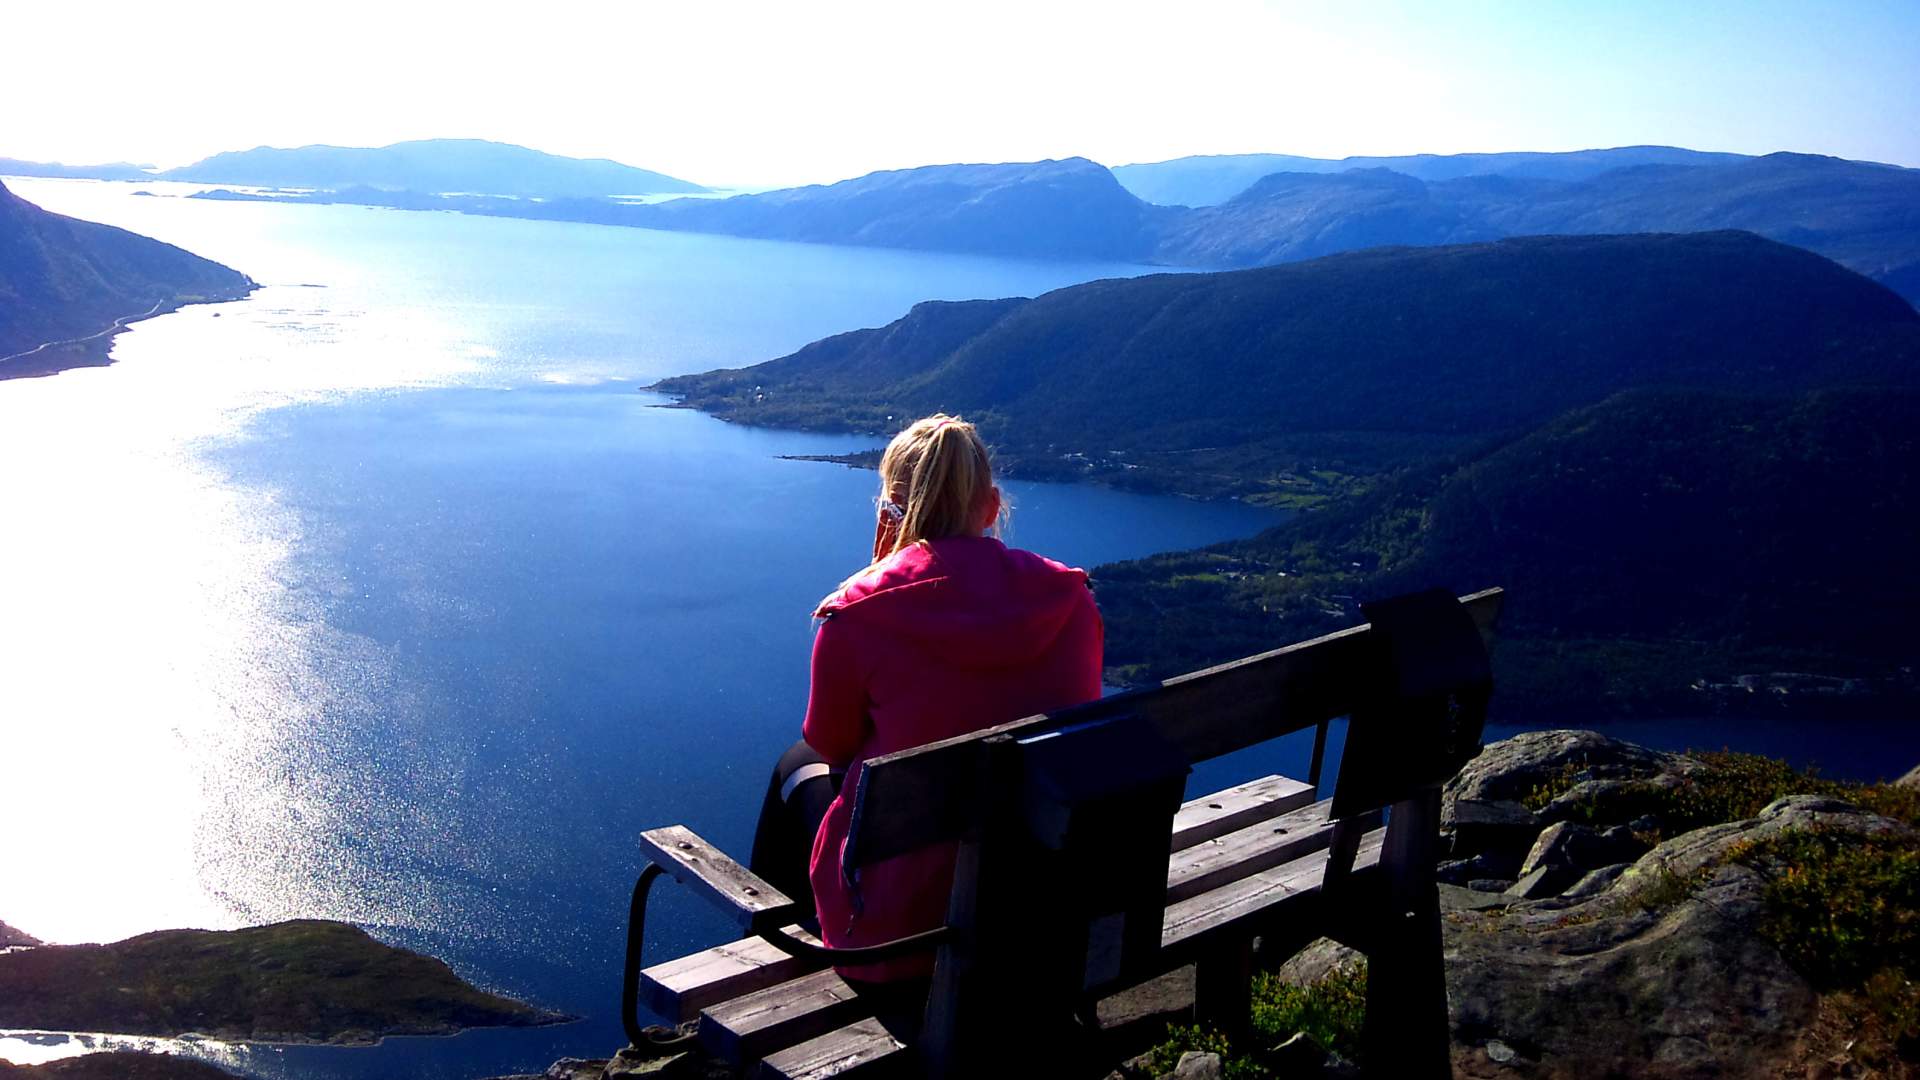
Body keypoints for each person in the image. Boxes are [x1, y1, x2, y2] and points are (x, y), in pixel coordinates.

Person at [749, 413, 1103, 993]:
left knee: (796, 764)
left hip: (899, 940)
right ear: (991, 508)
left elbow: (832, 745)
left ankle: (773, 968)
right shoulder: (1070, 599)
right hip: (1037, 911)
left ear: (890, 510)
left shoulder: (859, 615)